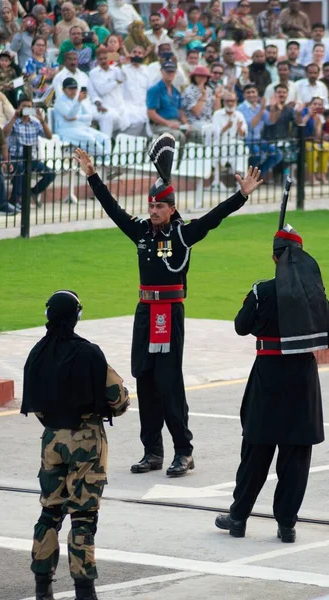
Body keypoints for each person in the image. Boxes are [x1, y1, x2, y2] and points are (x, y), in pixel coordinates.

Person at [74, 138, 263, 477]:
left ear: (172, 208)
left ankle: (184, 451)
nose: (153, 211)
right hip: (145, 313)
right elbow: (112, 208)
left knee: (169, 382)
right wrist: (93, 176)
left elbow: (213, 218)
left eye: (159, 207)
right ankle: (152, 451)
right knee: (144, 380)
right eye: (151, 206)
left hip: (169, 314)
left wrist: (242, 195)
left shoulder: (182, 234)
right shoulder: (141, 232)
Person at [215, 219, 329, 542]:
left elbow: (242, 326)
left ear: (274, 257)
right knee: (295, 456)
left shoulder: (262, 290)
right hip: (302, 380)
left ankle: (238, 518)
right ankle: (286, 525)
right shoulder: (317, 294)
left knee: (256, 450)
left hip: (268, 376)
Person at [21, 289, 129, 600]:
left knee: (49, 513)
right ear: (76, 317)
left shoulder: (37, 353)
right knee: (83, 517)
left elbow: (35, 404)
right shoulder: (88, 353)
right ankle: (84, 589)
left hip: (52, 439)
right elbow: (118, 399)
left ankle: (43, 587)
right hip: (86, 442)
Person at [3, 95, 56, 207]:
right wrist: (14, 117)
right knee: (21, 168)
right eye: (24, 106)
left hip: (31, 159)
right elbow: (4, 134)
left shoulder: (35, 122)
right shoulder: (13, 121)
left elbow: (49, 136)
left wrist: (42, 121)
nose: (26, 109)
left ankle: (32, 192)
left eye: (29, 107)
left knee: (50, 173)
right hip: (15, 158)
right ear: (18, 107)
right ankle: (15, 200)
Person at [54, 77, 112, 155]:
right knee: (91, 140)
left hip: (81, 128)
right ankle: (106, 158)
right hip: (66, 130)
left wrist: (78, 117)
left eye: (75, 88)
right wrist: (78, 102)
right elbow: (69, 116)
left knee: (106, 138)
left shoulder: (77, 100)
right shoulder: (60, 101)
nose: (73, 91)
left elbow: (89, 116)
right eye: (70, 88)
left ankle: (105, 159)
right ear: (63, 90)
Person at [300, 96, 329, 184]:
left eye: (319, 104)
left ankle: (321, 173)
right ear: (310, 105)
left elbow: (318, 134)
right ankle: (311, 176)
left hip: (315, 141)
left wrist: (317, 122)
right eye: (314, 104)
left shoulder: (320, 116)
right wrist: (309, 115)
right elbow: (301, 124)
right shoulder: (304, 112)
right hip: (304, 141)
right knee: (312, 148)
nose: (316, 106)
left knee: (326, 146)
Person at [24, 37, 58, 102]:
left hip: (52, 93)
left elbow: (57, 73)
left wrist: (54, 73)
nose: (41, 47)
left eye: (43, 45)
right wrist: (48, 76)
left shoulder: (49, 61)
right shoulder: (29, 62)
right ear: (32, 47)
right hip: (36, 94)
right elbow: (34, 81)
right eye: (38, 45)